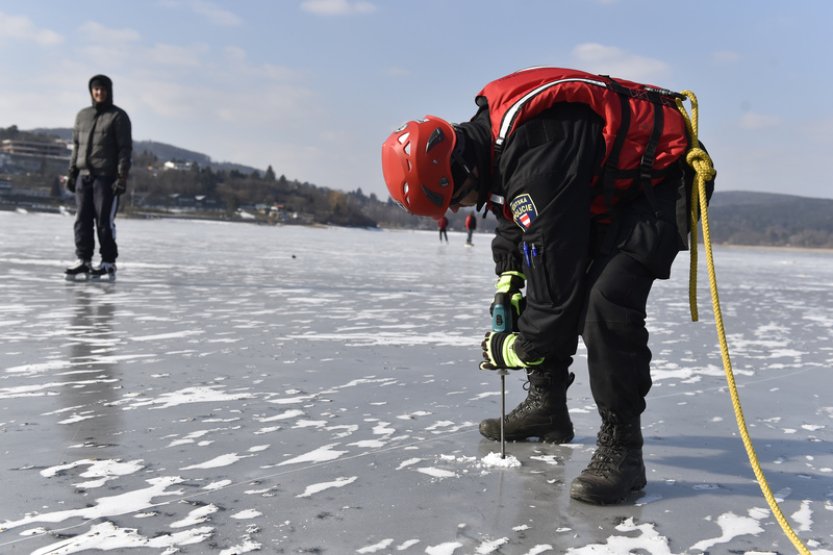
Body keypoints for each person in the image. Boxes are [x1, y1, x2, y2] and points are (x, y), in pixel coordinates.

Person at [381, 67, 713, 505]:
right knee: (530, 286)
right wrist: (509, 277)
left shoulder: (538, 150)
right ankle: (548, 405)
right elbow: (514, 213)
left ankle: (623, 451)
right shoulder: (491, 144)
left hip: (663, 181)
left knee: (605, 302)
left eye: (456, 197)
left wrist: (519, 348)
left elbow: (556, 280)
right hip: (602, 187)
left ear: (457, 169)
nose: (462, 205)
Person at [64, 74, 132, 282]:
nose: (99, 92)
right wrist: (72, 172)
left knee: (104, 221)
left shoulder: (118, 116)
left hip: (106, 178)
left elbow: (124, 150)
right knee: (82, 220)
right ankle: (83, 260)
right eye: (96, 89)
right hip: (84, 177)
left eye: (102, 89)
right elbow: (77, 147)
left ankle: (108, 263)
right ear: (91, 91)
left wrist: (121, 177)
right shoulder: (82, 115)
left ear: (108, 91)